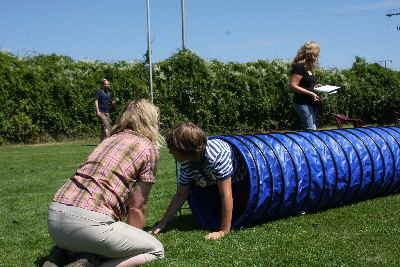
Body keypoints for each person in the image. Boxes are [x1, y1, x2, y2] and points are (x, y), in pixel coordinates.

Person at [44, 99, 164, 267]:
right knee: (156, 249)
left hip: (55, 217)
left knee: (91, 239)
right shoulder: (147, 148)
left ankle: (60, 255)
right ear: (151, 121)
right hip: (89, 223)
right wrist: (133, 240)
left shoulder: (109, 139)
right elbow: (137, 205)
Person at [151, 122, 241, 240]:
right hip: (210, 178)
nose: (170, 152)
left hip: (239, 176)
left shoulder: (217, 155)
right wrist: (163, 223)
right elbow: (181, 194)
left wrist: (223, 230)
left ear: (185, 150)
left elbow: (226, 195)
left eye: (173, 149)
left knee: (228, 192)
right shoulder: (185, 162)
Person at [289, 41, 321, 130]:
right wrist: (311, 93)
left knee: (312, 127)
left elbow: (305, 84)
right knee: (310, 128)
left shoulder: (308, 67)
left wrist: (315, 86)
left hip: (310, 102)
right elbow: (293, 85)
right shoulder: (300, 66)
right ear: (310, 54)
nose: (317, 56)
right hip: (302, 102)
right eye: (316, 54)